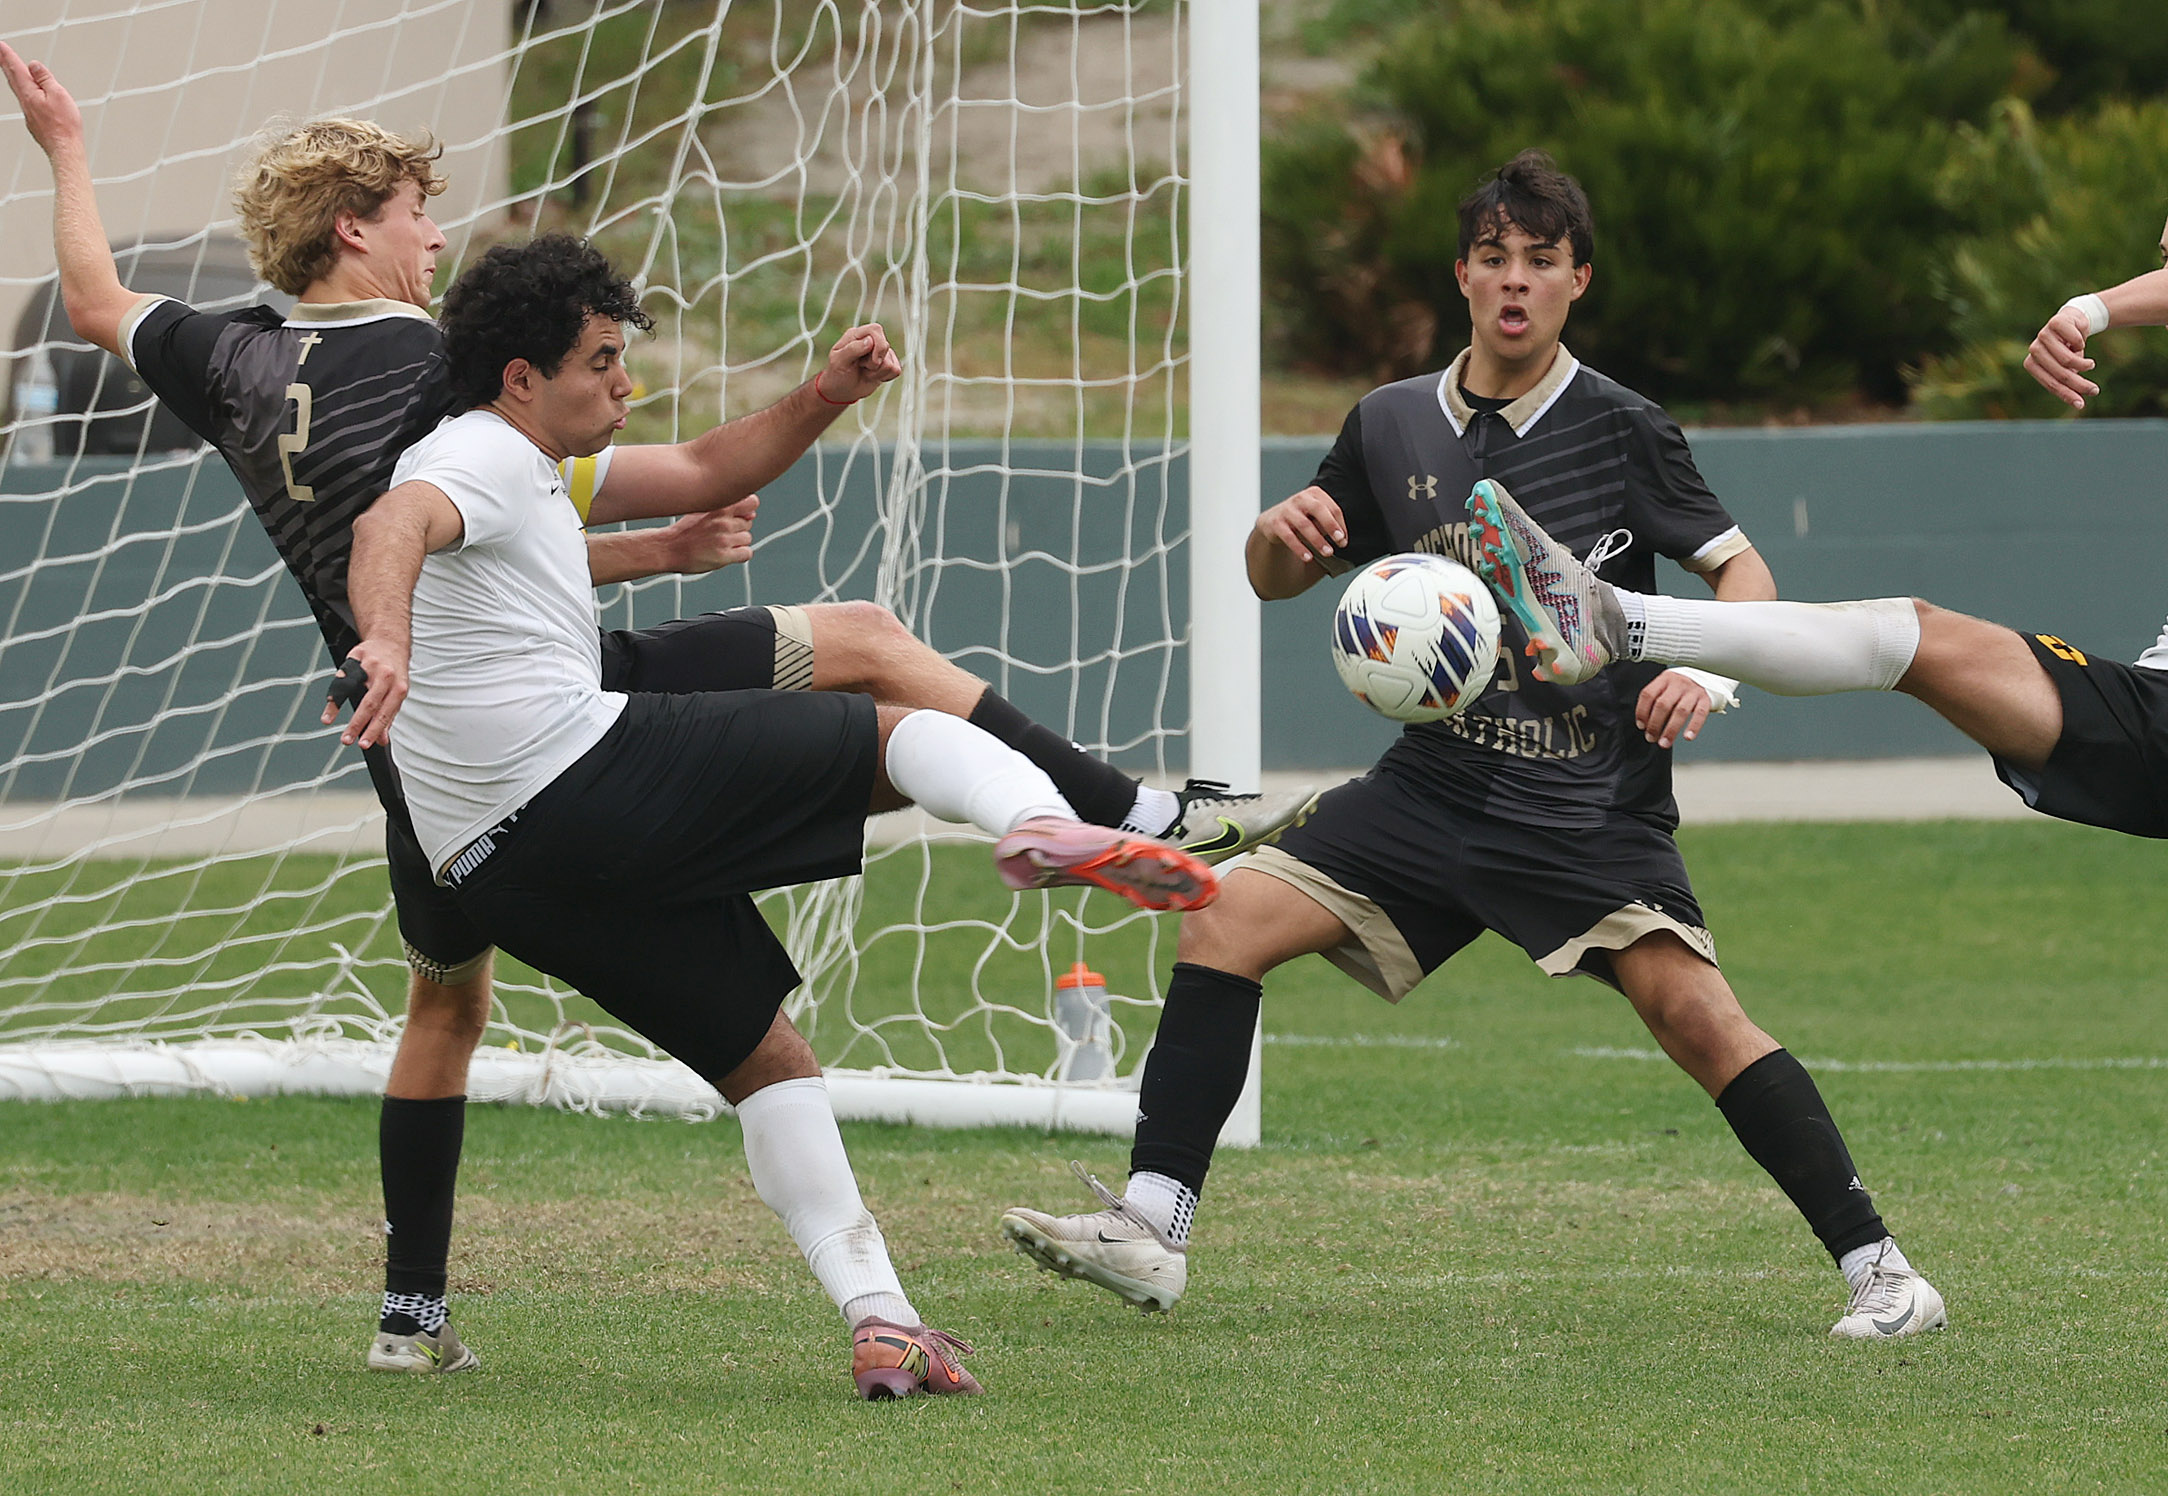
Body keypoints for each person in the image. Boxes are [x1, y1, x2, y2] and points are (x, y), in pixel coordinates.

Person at [1, 41, 1312, 1376]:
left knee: (455, 1007)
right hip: (546, 712)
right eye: (415, 211)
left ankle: (422, 1316)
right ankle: (1109, 812)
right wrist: (773, 435)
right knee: (868, 672)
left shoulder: (231, 355)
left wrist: (67, 150)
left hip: (425, 767)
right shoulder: (432, 374)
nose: (437, 232)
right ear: (357, 228)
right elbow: (477, 507)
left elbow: (100, 297)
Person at [1468, 138, 2168, 1398]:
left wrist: (2093, 304)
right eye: (2159, 253)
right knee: (1909, 633)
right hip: (2167, 706)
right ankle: (1614, 622)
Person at [1000, 151, 1945, 1338]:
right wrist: (1276, 534)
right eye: (1493, 258)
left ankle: (1883, 1269)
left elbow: (1739, 570)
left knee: (1697, 1019)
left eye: (1539, 262)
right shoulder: (1389, 420)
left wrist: (1703, 666)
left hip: (1585, 802)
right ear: (1460, 273)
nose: (1514, 281)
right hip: (1430, 789)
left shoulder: (1622, 429)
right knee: (1224, 917)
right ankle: (1150, 1228)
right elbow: (1276, 573)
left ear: (1575, 280)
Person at [333, 231, 1219, 1397]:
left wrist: (810, 402)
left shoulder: (531, 464)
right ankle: (1038, 820)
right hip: (581, 779)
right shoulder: (482, 451)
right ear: (518, 375)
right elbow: (387, 527)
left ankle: (884, 1318)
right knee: (889, 719)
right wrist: (385, 637)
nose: (622, 381)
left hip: (497, 866)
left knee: (765, 1058)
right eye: (602, 359)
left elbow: (695, 466)